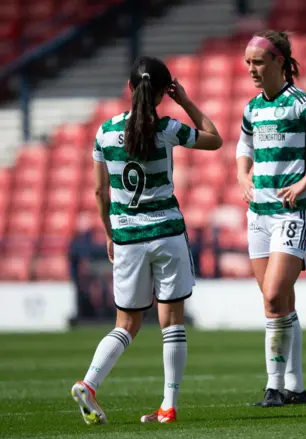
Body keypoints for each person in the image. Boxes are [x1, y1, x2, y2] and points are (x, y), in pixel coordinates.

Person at [71, 56, 223, 425]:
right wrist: (185, 100)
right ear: (160, 93)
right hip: (167, 233)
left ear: (129, 88)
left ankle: (89, 384)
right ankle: (167, 406)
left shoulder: (105, 132)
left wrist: (110, 233)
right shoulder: (167, 127)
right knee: (171, 322)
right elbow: (214, 139)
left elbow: (98, 191)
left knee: (126, 325)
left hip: (127, 238)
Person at [236, 30, 306, 407]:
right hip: (258, 215)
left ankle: (273, 386)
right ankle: (295, 388)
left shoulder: (299, 102)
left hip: (292, 213)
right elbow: (244, 143)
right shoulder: (253, 108)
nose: (251, 69)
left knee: (273, 295)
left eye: (258, 62)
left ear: (279, 63)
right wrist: (242, 175)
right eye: (248, 62)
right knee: (278, 302)